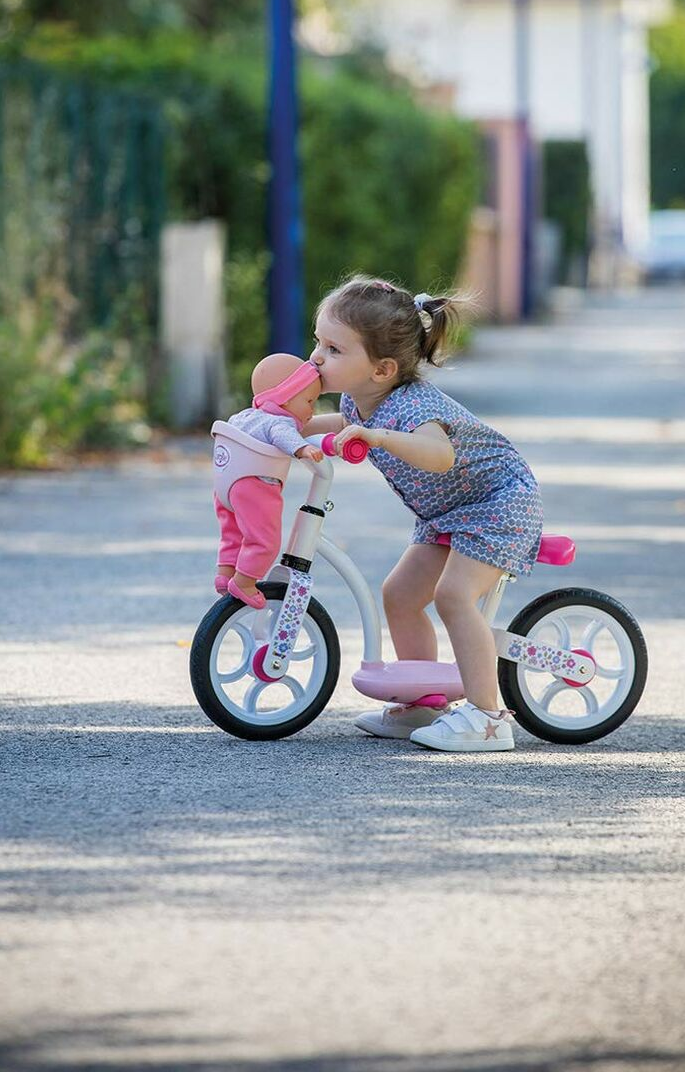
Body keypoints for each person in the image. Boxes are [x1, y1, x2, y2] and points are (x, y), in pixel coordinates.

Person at [302, 275, 543, 753]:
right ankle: (424, 703)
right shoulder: (360, 399)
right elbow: (342, 422)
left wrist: (380, 439)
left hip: (496, 504)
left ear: (382, 369)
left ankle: (489, 718)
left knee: (453, 596)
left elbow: (439, 455)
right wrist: (279, 424)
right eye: (317, 342)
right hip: (449, 511)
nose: (316, 358)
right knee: (400, 594)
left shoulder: (415, 407)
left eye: (333, 348)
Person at [214, 354, 324, 609]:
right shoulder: (279, 421)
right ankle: (244, 582)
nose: (312, 410)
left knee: (233, 532)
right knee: (264, 540)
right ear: (285, 396)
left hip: (225, 484)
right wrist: (303, 450)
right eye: (309, 401)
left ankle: (225, 574)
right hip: (256, 484)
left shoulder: (244, 416)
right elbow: (282, 435)